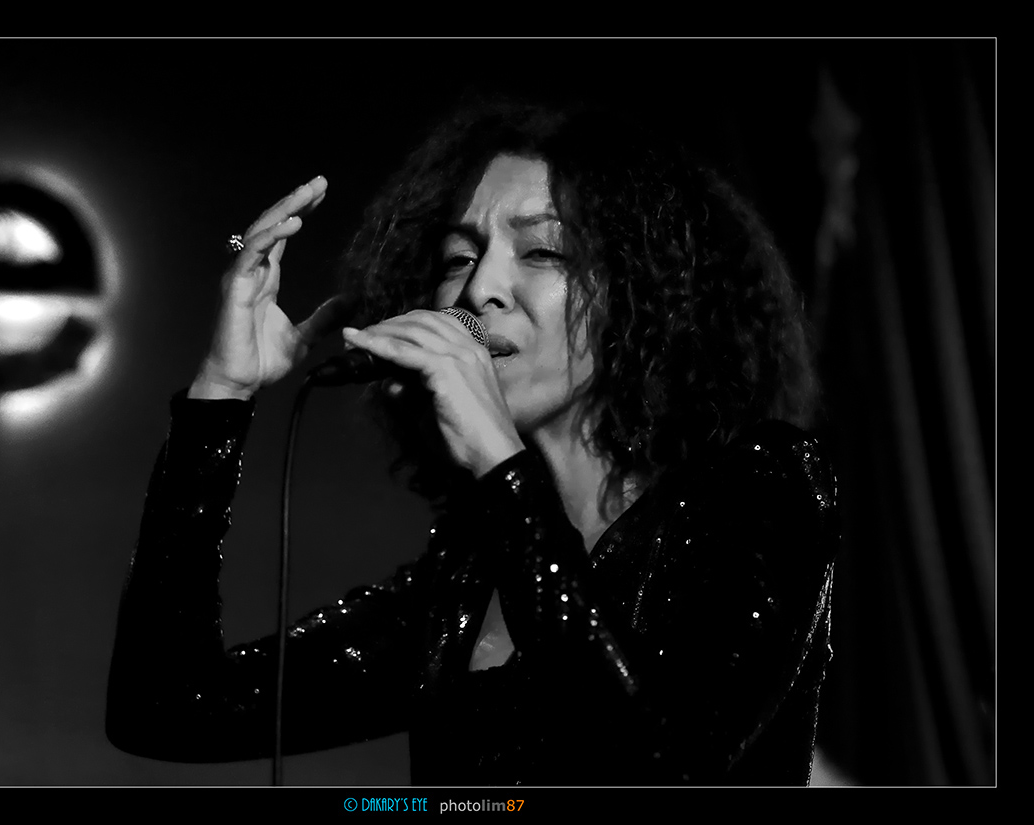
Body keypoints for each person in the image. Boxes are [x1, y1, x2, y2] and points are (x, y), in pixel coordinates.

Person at [105, 100, 840, 785]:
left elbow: (657, 763)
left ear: (645, 287)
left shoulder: (762, 488)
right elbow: (165, 708)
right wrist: (221, 395)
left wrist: (499, 463)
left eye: (543, 252)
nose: (480, 288)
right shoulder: (463, 580)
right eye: (459, 257)